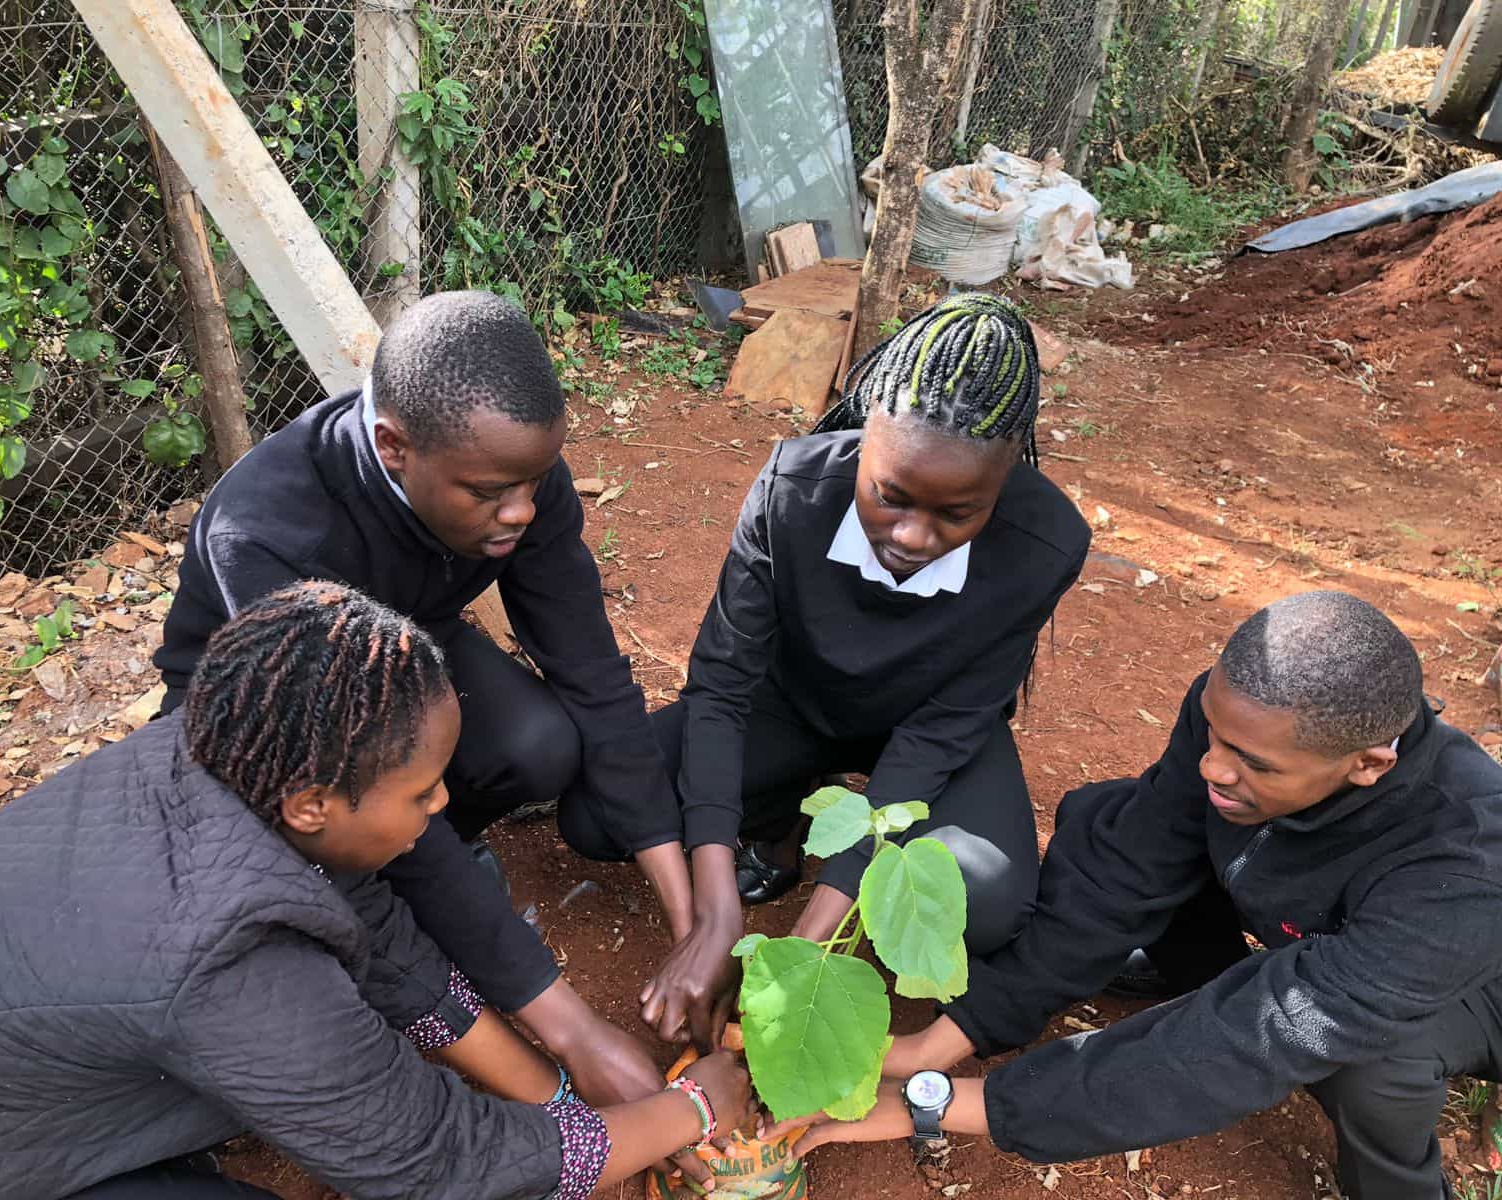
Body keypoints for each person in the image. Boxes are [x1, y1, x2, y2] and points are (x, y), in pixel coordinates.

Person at [0, 582, 754, 1200]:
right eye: (421, 793)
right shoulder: (233, 971)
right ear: (311, 804)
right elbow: (434, 1164)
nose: (445, 803)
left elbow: (371, 926)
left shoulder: (204, 749)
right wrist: (689, 1111)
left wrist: (559, 1077)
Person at [766, 591, 1502, 1200]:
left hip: (1468, 994)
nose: (1213, 765)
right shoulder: (1244, 729)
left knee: (1370, 1062)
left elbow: (1266, 1029)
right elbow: (1131, 868)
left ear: (1369, 764)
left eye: (1251, 764)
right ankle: (1192, 976)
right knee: (1111, 820)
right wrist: (947, 1037)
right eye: (1211, 732)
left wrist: (941, 1104)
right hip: (1316, 929)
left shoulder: (1462, 859)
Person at [153, 291, 685, 1101]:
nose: (521, 512)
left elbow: (593, 673)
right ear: (394, 446)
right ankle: (399, 873)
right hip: (265, 715)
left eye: (535, 482)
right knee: (327, 863)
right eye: (488, 494)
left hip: (406, 656)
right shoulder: (267, 532)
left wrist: (690, 919)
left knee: (538, 746)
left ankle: (429, 855)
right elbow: (364, 769)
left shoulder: (508, 471)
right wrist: (572, 1032)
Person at [562, 294, 1091, 1045]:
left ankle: (812, 838)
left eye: (958, 514)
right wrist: (715, 914)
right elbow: (720, 690)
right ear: (866, 428)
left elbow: (939, 735)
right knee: (598, 813)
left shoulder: (1047, 543)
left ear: (1002, 481)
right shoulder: (791, 491)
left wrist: (804, 953)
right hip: (794, 706)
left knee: (989, 898)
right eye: (891, 496)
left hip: (931, 733)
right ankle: (775, 831)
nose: (912, 536)